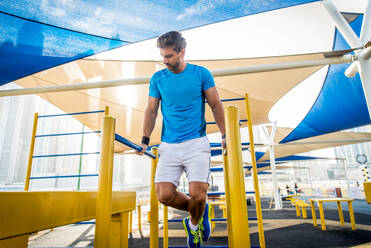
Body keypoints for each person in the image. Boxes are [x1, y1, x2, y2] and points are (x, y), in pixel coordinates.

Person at [137, 31, 226, 248]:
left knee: (198, 194)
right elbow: (151, 110)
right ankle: (200, 210)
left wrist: (225, 135)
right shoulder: (158, 78)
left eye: (168, 56)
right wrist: (144, 140)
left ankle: (194, 225)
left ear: (182, 52)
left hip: (196, 143)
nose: (164, 60)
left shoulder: (201, 74)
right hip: (169, 145)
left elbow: (215, 104)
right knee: (164, 195)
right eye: (162, 56)